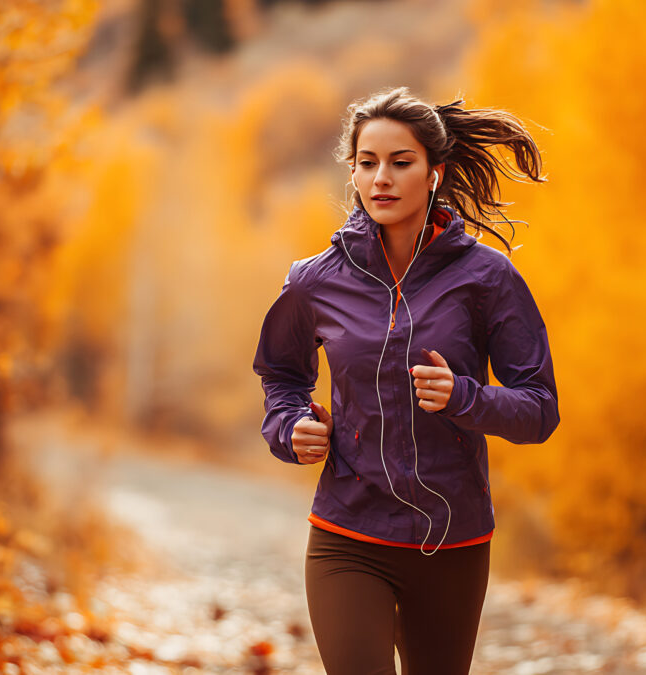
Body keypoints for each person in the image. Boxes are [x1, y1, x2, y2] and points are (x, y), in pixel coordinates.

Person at [252, 86, 560, 675]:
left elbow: (539, 409)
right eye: (367, 164)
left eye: (401, 162)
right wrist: (289, 426)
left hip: (453, 542)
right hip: (349, 532)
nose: (381, 180)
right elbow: (282, 374)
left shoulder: (487, 278)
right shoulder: (315, 281)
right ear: (353, 173)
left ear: (434, 174)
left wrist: (463, 397)